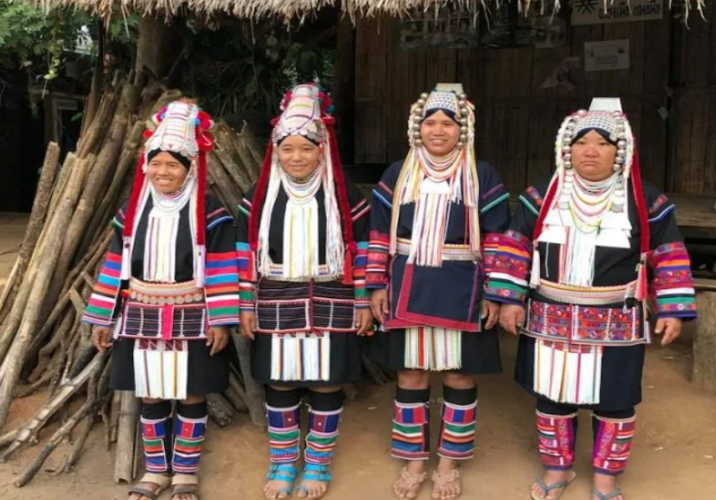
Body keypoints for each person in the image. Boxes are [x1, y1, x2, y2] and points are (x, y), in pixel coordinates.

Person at [491, 99, 698, 500]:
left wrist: (671, 308)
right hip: (550, 314)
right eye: (581, 142)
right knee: (552, 395)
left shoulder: (644, 199)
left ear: (619, 151)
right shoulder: (543, 194)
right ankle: (558, 469)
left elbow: (668, 251)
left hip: (616, 318)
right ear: (566, 149)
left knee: (615, 400)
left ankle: (606, 477)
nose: (590, 150)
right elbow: (515, 245)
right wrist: (510, 299)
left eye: (601, 143)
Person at [86, 101, 238, 500]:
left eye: (173, 164)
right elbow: (116, 264)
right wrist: (103, 316)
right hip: (140, 312)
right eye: (156, 164)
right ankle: (156, 470)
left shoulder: (211, 213)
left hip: (192, 313)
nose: (163, 172)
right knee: (150, 392)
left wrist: (221, 319)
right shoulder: (131, 211)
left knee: (191, 391)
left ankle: (185, 473)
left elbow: (223, 268)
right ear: (145, 165)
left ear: (190, 166)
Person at [367, 84, 510, 500]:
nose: (438, 130)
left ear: (462, 130)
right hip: (407, 280)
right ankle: (414, 457)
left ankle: (449, 460)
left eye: (448, 123)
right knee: (411, 371)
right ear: (418, 128)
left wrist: (496, 293)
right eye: (431, 122)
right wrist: (376, 284)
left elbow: (500, 238)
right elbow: (378, 233)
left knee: (458, 373)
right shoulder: (398, 173)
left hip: (464, 284)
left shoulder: (482, 175)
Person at [236, 83, 372, 500]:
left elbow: (363, 249)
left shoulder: (345, 196)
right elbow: (244, 253)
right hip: (276, 300)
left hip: (333, 300)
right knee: (280, 383)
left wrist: (364, 299)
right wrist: (245, 305)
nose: (297, 157)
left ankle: (317, 463)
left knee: (326, 383)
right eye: (288, 149)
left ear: (322, 148)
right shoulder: (258, 199)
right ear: (275, 150)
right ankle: (282, 461)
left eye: (306, 149)